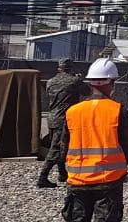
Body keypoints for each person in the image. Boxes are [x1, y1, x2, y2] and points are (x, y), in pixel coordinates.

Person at [61, 58, 128, 222]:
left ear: (90, 83)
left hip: (77, 180)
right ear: (112, 82)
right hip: (108, 180)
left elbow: (64, 146)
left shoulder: (73, 111)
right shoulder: (117, 111)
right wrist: (118, 164)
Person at [40, 58, 87, 188]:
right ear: (70, 68)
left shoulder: (50, 81)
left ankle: (62, 173)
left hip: (52, 118)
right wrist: (79, 79)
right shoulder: (74, 81)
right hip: (65, 119)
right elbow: (87, 92)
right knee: (56, 148)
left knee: (60, 146)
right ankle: (43, 177)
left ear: (59, 68)